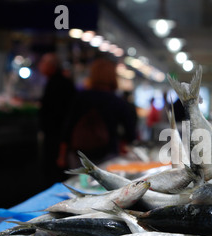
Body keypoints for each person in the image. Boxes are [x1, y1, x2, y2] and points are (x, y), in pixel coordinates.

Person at [57, 58, 138, 169]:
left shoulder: (81, 97)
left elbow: (68, 128)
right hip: (108, 154)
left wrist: (62, 155)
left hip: (79, 155)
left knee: (78, 185)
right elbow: (130, 133)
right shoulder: (117, 101)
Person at [38, 52, 76, 186]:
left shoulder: (56, 84)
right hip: (61, 137)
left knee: (54, 173)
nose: (40, 66)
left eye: (43, 63)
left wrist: (62, 148)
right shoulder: (64, 82)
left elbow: (61, 115)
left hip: (57, 138)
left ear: (51, 66)